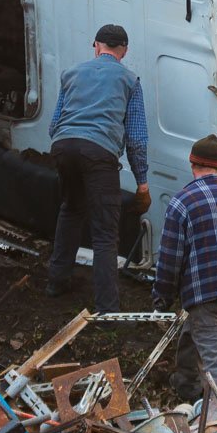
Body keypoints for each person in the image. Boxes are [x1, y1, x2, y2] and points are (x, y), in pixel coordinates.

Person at [47, 24, 151, 311]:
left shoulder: (70, 74)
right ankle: (108, 309)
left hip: (63, 146)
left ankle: (56, 283)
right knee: (105, 231)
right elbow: (137, 139)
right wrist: (142, 183)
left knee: (70, 209)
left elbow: (54, 125)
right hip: (99, 152)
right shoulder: (130, 80)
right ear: (124, 51)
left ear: (96, 46)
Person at [152, 135, 217, 403]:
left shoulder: (181, 202)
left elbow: (170, 258)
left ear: (191, 163)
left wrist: (162, 297)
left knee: (214, 353)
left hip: (206, 293)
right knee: (195, 331)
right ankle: (187, 385)